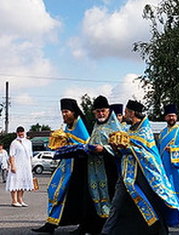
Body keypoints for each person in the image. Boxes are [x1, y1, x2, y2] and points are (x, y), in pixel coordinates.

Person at [102, 99, 179, 234]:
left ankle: (159, 230)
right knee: (117, 204)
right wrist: (117, 147)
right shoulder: (128, 129)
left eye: (126, 112)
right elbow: (124, 150)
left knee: (148, 202)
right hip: (126, 175)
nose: (125, 114)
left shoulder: (144, 131)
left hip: (143, 176)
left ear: (132, 113)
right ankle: (108, 231)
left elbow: (145, 152)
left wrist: (127, 146)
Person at [33, 98, 93, 234]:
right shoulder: (67, 126)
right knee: (53, 190)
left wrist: (67, 145)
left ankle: (81, 227)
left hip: (79, 170)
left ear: (73, 112)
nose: (64, 115)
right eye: (62, 112)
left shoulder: (80, 125)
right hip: (67, 166)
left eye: (66, 112)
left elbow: (85, 146)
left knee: (79, 198)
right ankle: (51, 223)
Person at [86, 95, 123, 233]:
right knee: (95, 196)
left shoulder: (116, 127)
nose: (101, 114)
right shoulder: (96, 126)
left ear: (108, 111)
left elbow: (121, 147)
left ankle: (112, 227)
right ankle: (98, 226)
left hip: (110, 169)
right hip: (95, 168)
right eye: (98, 111)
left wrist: (104, 149)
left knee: (111, 197)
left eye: (103, 111)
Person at [158, 103, 179, 215]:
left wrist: (174, 149)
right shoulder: (161, 134)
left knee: (178, 187)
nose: (171, 118)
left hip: (177, 167)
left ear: (176, 117)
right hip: (164, 166)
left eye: (173, 115)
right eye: (169, 116)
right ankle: (168, 211)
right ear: (165, 118)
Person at [6, 126, 33, 207]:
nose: (21, 134)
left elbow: (30, 155)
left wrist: (30, 166)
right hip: (17, 165)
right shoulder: (14, 143)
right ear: (17, 133)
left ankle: (20, 199)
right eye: (19, 132)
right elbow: (12, 155)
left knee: (22, 182)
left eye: (22, 132)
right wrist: (13, 166)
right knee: (15, 182)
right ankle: (14, 200)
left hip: (25, 165)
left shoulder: (28, 142)